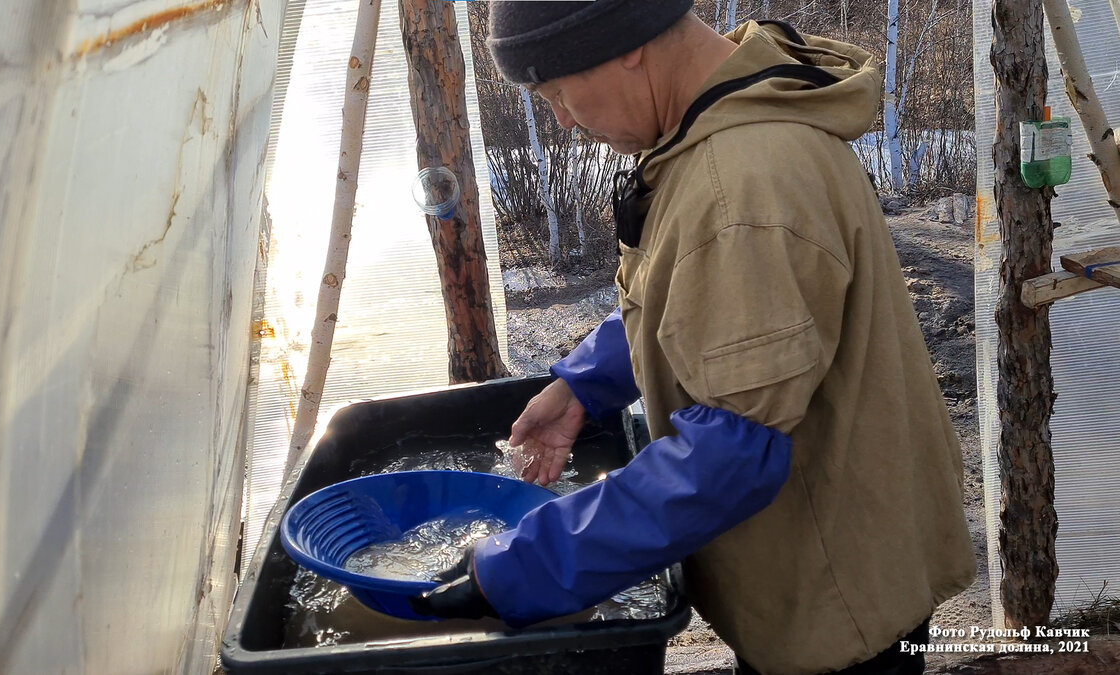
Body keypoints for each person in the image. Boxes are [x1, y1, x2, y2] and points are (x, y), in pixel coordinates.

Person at [409, 3, 976, 674]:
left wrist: (522, 565)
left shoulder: (744, 187)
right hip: (832, 550)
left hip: (837, 596)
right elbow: (699, 297)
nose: (561, 119)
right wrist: (586, 382)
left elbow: (730, 454)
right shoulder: (718, 116)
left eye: (557, 92)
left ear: (624, 46)